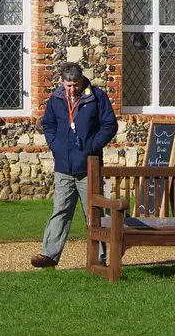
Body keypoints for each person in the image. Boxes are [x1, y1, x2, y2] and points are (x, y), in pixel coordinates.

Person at [31, 63, 118, 268]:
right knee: (60, 210)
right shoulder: (56, 99)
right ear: (63, 82)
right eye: (68, 85)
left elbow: (109, 125)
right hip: (63, 167)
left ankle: (101, 257)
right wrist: (55, 145)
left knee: (94, 213)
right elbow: (48, 124)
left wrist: (92, 147)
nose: (72, 89)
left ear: (82, 80)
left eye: (75, 85)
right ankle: (49, 255)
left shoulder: (96, 97)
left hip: (89, 167)